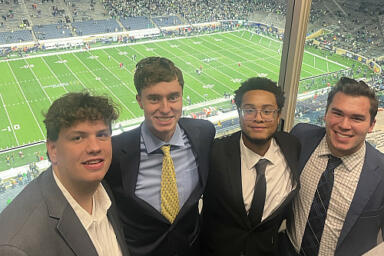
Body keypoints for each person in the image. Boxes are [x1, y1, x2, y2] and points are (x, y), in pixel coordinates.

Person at [106, 56, 216, 256]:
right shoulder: (115, 152)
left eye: (173, 97)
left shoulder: (203, 133)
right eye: (154, 98)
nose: (165, 109)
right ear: (140, 100)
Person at [0, 92, 130, 256]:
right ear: (53, 150)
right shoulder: (18, 246)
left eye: (101, 135)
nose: (95, 147)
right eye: (78, 138)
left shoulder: (101, 185)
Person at [280, 77, 384, 256]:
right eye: (337, 113)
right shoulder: (301, 137)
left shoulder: (381, 171)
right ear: (325, 114)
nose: (344, 125)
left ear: (371, 125)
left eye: (357, 118)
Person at [201, 77, 301, 256]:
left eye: (267, 111)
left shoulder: (292, 146)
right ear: (239, 113)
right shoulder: (214, 153)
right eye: (249, 110)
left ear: (278, 116)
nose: (258, 118)